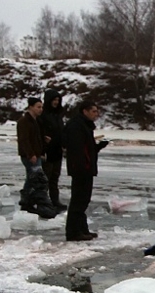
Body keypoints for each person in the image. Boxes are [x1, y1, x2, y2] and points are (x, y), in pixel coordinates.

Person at [64, 100, 109, 242]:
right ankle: (73, 232)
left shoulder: (84, 126)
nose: (97, 114)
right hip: (81, 169)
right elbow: (77, 150)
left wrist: (99, 146)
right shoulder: (76, 126)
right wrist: (82, 166)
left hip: (85, 168)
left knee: (83, 200)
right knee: (78, 200)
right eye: (94, 111)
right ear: (85, 111)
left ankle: (82, 228)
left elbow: (88, 150)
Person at [16, 97, 51, 215]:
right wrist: (30, 154)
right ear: (30, 107)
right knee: (34, 178)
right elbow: (24, 139)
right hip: (29, 155)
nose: (41, 110)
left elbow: (35, 138)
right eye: (38, 107)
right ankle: (27, 202)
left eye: (41, 107)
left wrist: (41, 150)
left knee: (33, 178)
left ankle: (28, 202)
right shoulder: (24, 121)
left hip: (35, 154)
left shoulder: (35, 121)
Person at [38, 88, 66, 210]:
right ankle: (43, 201)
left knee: (54, 178)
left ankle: (54, 200)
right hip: (47, 150)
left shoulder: (58, 115)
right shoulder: (43, 115)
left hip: (57, 150)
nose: (56, 102)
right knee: (46, 178)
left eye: (57, 100)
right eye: (54, 100)